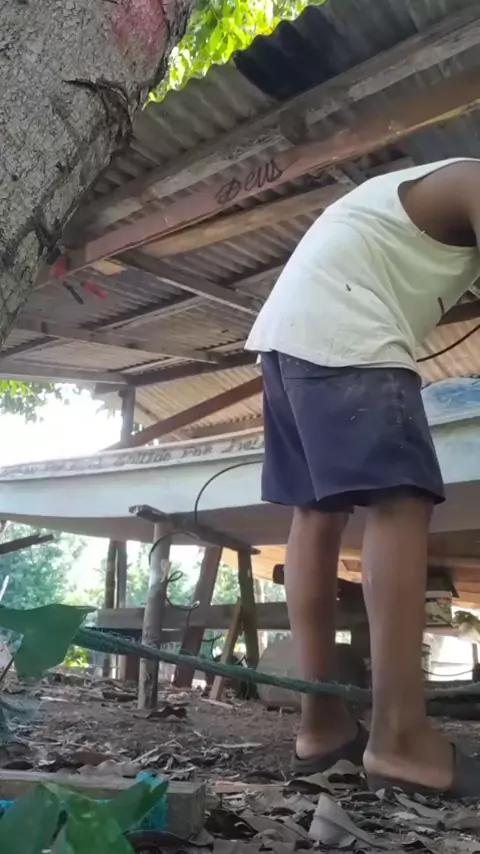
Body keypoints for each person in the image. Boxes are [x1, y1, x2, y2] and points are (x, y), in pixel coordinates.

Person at [245, 158, 480, 797]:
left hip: (288, 336)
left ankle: (321, 726)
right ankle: (401, 739)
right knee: (400, 500)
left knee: (316, 513)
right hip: (348, 324)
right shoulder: (473, 179)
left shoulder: (429, 188)